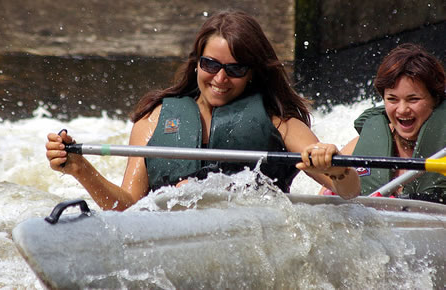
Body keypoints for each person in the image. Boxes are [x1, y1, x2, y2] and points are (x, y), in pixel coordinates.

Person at [46, 10, 360, 211]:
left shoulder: (280, 122)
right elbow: (126, 207)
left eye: (235, 69)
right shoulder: (154, 119)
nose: (220, 79)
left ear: (253, 73)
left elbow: (349, 192)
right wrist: (80, 169)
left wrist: (334, 167)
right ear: (197, 62)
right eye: (210, 64)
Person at [320, 43, 445, 203]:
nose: (402, 110)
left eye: (413, 99)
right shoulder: (358, 146)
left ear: (435, 99)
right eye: (392, 99)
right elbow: (322, 207)